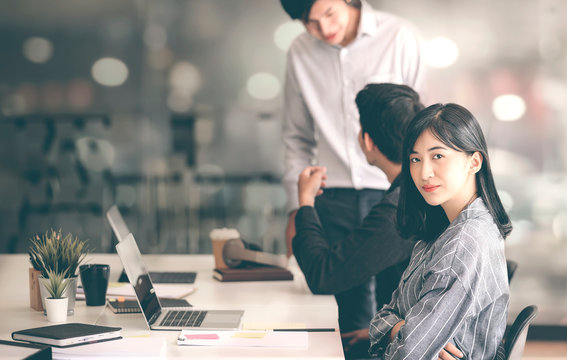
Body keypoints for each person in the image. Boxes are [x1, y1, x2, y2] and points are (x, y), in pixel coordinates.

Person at [279, 0, 426, 341]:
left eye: (329, 14)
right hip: (332, 193)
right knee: (340, 311)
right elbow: (296, 136)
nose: (324, 30)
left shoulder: (400, 38)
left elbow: (420, 118)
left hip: (394, 190)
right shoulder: (300, 53)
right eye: (310, 23)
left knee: (396, 294)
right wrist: (297, 208)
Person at [369, 103, 512, 359]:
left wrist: (396, 329)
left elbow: (408, 353)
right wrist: (399, 328)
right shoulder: (441, 232)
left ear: (474, 161)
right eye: (415, 159)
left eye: (438, 156)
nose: (424, 172)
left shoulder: (464, 242)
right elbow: (382, 319)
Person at [294, 83, 424, 358]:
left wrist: (305, 202)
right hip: (413, 339)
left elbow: (323, 275)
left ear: (367, 141)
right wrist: (380, 331)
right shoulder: (418, 195)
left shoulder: (400, 210)